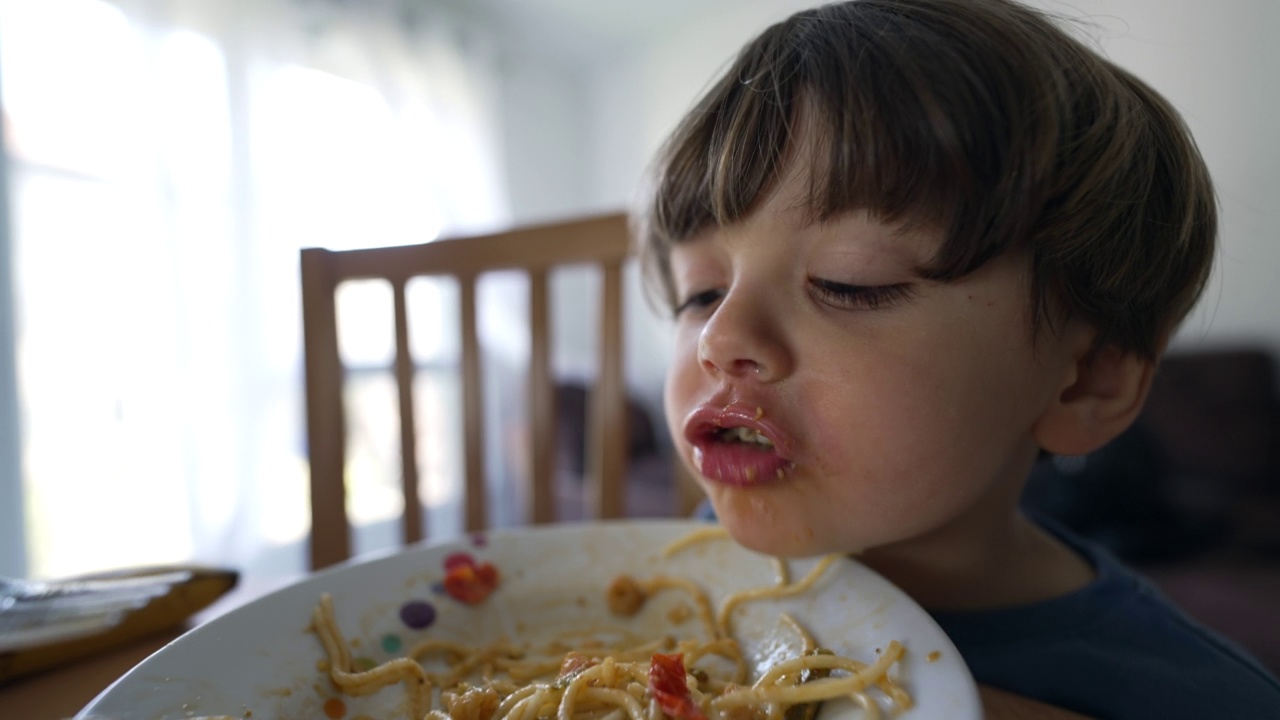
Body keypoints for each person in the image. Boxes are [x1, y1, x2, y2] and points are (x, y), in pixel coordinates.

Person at [634, 0, 1280, 718]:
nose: (721, 338)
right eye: (701, 292)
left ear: (1086, 382)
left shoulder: (1204, 700)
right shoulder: (692, 570)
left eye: (850, 282)